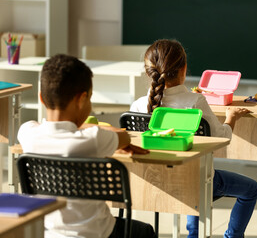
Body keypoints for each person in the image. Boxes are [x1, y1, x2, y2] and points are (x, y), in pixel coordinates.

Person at [130, 39, 257, 238]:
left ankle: (194, 233)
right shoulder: (195, 102)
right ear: (184, 68)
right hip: (196, 182)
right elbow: (222, 139)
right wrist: (231, 118)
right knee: (251, 189)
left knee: (195, 180)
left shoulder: (138, 106)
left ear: (149, 72)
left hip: (152, 183)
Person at [17, 54, 157, 238]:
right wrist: (87, 127)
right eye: (90, 98)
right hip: (97, 233)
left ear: (41, 98)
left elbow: (43, 127)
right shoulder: (95, 138)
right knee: (145, 232)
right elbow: (124, 136)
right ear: (81, 99)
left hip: (48, 233)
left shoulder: (27, 134)